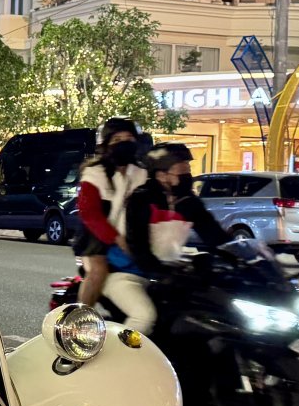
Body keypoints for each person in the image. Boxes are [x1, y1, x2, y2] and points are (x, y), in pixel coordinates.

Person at [103, 143, 229, 336]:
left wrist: (244, 256)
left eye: (188, 168)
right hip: (126, 273)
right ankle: (120, 359)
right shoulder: (141, 199)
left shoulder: (188, 202)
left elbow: (215, 236)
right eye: (182, 169)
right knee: (144, 316)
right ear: (162, 175)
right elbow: (138, 246)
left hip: (166, 277)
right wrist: (159, 271)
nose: (188, 174)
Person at [73, 118, 146, 307]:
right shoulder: (94, 173)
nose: (124, 143)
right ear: (106, 145)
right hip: (95, 240)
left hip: (129, 236)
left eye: (129, 138)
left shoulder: (141, 174)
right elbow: (90, 215)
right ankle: (81, 318)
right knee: (98, 271)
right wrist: (118, 239)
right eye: (117, 139)